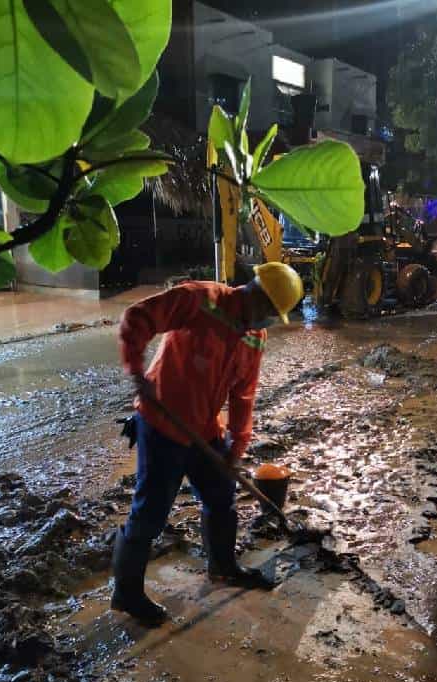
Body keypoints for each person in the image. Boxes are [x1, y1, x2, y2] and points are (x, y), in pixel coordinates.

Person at [112, 262, 304, 625]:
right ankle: (127, 594)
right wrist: (137, 373)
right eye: (269, 313)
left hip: (205, 429)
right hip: (162, 424)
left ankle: (223, 566)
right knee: (150, 513)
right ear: (256, 294)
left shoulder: (253, 337)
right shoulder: (200, 300)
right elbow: (136, 318)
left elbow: (243, 395)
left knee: (221, 496)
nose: (268, 323)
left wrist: (235, 448)